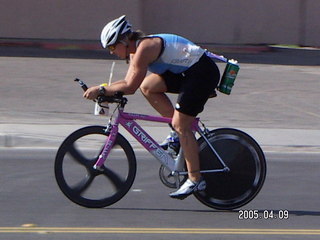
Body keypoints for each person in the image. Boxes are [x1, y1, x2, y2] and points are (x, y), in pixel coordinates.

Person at [83, 15, 220, 199]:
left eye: (112, 47)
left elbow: (129, 87)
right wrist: (105, 90)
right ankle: (178, 134)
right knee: (148, 86)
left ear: (124, 39)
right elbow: (127, 82)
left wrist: (101, 89)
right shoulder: (135, 52)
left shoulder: (144, 48)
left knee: (182, 125)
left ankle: (195, 179)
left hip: (201, 73)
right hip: (188, 72)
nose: (111, 52)